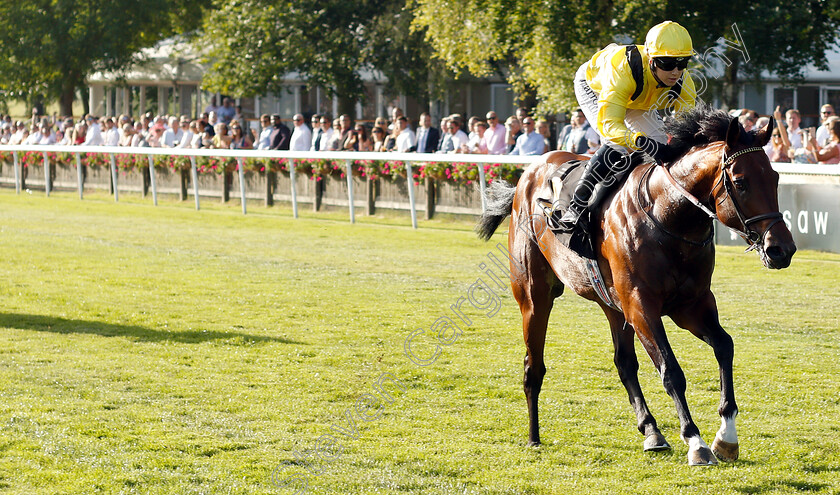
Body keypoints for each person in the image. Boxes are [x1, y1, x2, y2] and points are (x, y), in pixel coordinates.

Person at [556, 20, 697, 231]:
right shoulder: (622, 70)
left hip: (635, 97)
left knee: (659, 147)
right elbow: (610, 125)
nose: (675, 71)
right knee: (617, 144)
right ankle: (577, 205)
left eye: (682, 63)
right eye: (667, 63)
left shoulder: (683, 82)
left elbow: (688, 128)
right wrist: (638, 140)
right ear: (651, 59)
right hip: (596, 87)